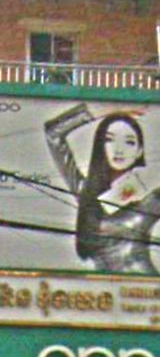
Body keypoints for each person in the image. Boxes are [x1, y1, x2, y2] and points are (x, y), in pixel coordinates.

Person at [44, 103, 160, 274]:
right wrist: (109, 109)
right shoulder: (88, 193)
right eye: (110, 140)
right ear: (100, 145)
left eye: (129, 142)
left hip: (143, 286)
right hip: (105, 286)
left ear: (139, 151)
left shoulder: (150, 198)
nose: (119, 150)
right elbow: (53, 133)